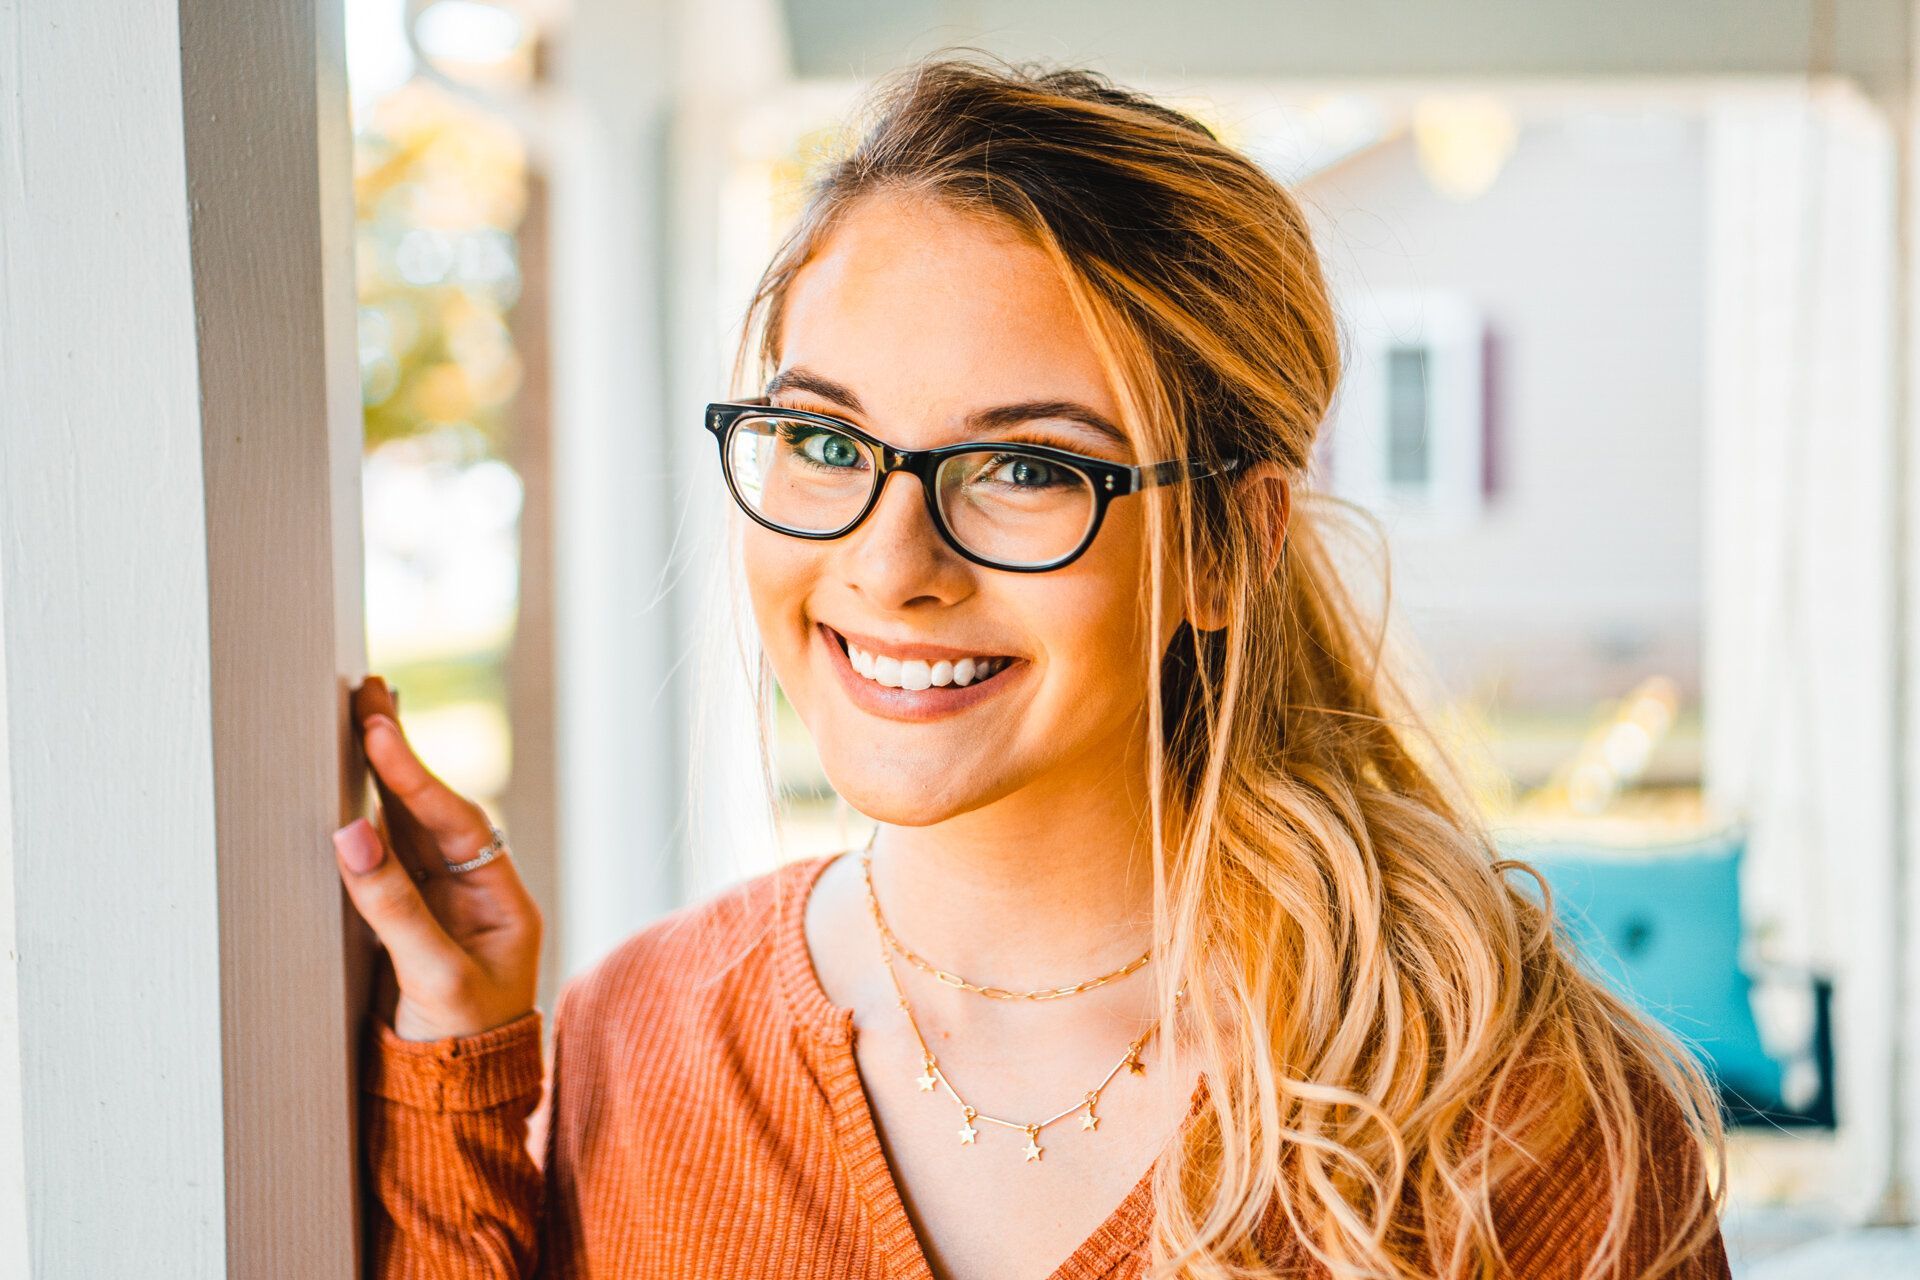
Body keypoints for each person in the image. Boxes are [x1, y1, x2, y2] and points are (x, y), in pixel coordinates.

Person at [333, 55, 1732, 1280]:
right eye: (824, 440)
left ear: (1225, 548)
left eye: (1025, 466)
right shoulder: (639, 1037)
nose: (889, 565)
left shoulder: (1523, 1124)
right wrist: (459, 1079)